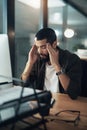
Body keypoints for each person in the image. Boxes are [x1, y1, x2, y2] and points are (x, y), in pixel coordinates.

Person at [21, 28, 82, 99]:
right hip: (43, 101)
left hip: (63, 102)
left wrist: (56, 66)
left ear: (54, 44)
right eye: (38, 47)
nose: (39, 51)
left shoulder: (71, 59)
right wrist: (30, 63)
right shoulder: (39, 58)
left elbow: (73, 92)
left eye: (43, 47)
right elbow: (23, 83)